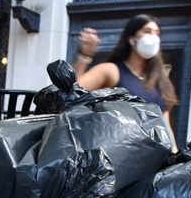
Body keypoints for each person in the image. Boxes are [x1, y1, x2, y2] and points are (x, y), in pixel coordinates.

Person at [72, 15, 179, 152]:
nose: (153, 37)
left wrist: (175, 157)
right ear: (131, 39)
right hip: (118, 156)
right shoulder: (112, 71)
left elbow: (165, 124)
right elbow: (72, 91)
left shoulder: (160, 80)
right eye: (147, 31)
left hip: (152, 160)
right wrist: (84, 55)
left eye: (157, 33)